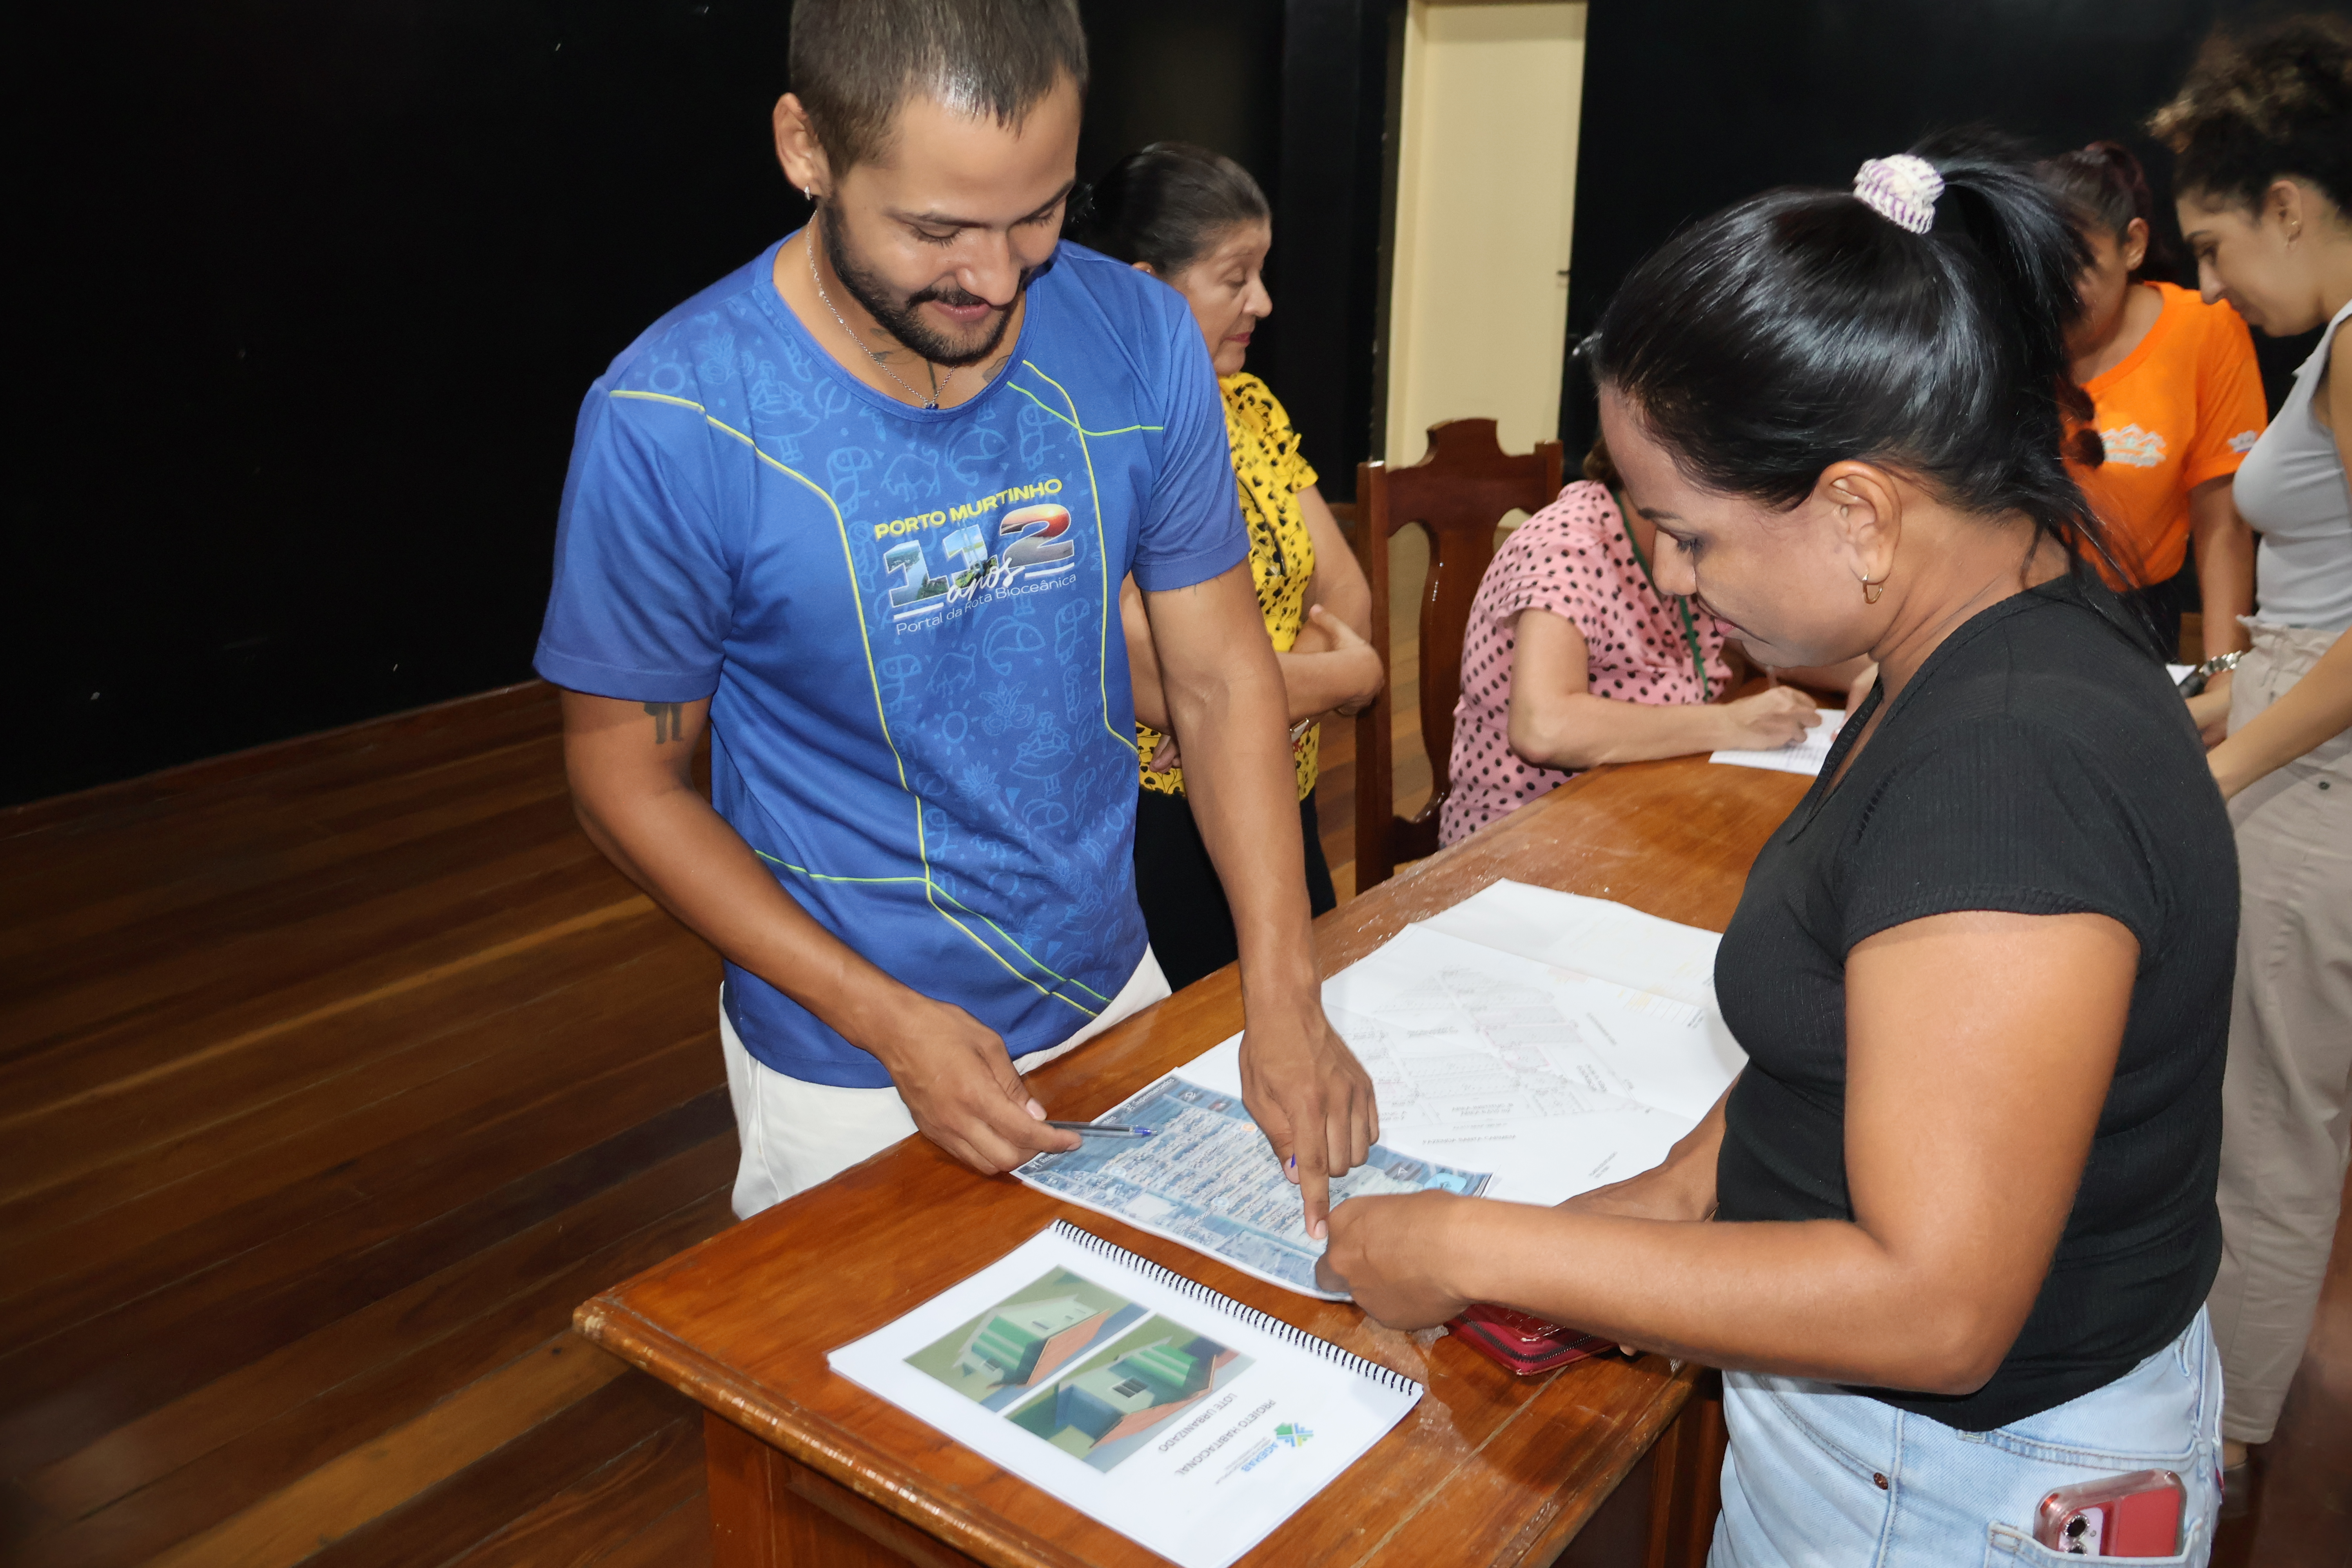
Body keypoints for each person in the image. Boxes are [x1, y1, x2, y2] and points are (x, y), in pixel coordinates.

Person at [1313, 135, 2238, 1564]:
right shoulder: (1956, 650)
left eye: (1687, 535)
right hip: (1889, 1460)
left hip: (1956, 1486)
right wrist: (1672, 1194)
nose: (1673, 576)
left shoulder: (2007, 765)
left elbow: (1934, 1304)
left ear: (1859, 511)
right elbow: (1853, 1037)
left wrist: (1466, 1246)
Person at [533, 0, 1376, 1230]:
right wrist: (886, 1021)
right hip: (847, 1051)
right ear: (804, 148)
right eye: (936, 228)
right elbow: (629, 784)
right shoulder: (674, 418)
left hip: (1111, 980)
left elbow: (1217, 678)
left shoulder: (1140, 336)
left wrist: (1281, 981)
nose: (994, 277)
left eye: (1036, 214)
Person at [2151, 14, 2352, 1494]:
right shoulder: (2334, 335)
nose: (2212, 285)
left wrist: (2220, 767)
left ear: (2289, 201)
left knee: (2268, 1133)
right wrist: (2201, 707)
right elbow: (2308, 619)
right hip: (2290, 738)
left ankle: (2217, 1457)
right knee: (2241, 1114)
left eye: (2218, 245)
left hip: (2316, 786)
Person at [1076, 143, 1385, 990]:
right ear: (1149, 287)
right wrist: (1337, 674)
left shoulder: (1249, 407)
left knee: (1302, 1008)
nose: (1264, 301)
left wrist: (1249, 701)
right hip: (1158, 815)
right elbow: (1145, 673)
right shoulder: (1099, 436)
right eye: (1235, 276)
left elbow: (1346, 587)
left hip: (1277, 788)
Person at [1439, 438, 1847, 847]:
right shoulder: (1566, 546)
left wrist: (1873, 668)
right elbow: (1543, 728)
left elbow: (1773, 638)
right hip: (1519, 839)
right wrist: (1730, 724)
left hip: (1633, 812)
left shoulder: (1685, 539)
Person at [2040, 141, 2263, 662]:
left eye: (2077, 266)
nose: (2055, 292)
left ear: (2132, 246)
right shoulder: (2007, 329)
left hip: (2138, 619)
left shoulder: (2204, 330)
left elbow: (2223, 521)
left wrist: (2224, 670)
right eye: (2037, 268)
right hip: (2011, 612)